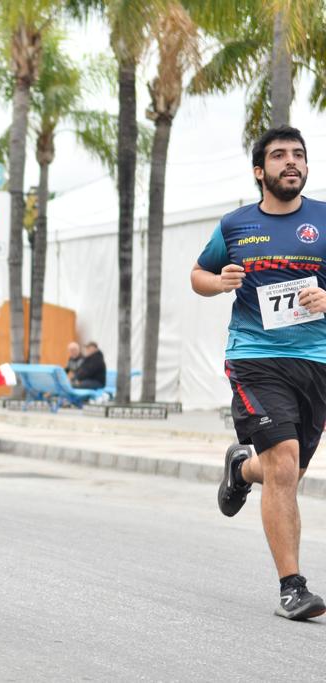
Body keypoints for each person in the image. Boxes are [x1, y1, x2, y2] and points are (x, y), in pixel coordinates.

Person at [193, 125, 326, 621]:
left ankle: (240, 468)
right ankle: (293, 588)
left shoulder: (325, 220)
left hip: (317, 362)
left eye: (298, 155)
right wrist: (219, 280)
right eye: (279, 156)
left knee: (284, 472)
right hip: (255, 357)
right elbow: (198, 275)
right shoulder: (235, 226)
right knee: (285, 465)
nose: (290, 162)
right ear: (260, 171)